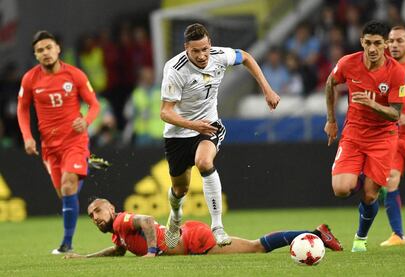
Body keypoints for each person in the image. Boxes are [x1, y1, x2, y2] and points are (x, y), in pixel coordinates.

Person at [160, 23, 280, 248]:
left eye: (205, 49)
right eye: (196, 51)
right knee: (180, 189)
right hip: (178, 133)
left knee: (204, 162)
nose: (202, 55)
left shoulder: (219, 55)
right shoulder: (175, 69)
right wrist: (193, 125)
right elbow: (165, 113)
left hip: (209, 124)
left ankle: (217, 226)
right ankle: (175, 218)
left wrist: (267, 89)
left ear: (210, 44)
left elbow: (245, 57)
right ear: (186, 48)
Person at [324, 21, 405, 252]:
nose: (372, 48)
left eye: (378, 44)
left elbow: (395, 114)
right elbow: (330, 83)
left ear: (386, 45)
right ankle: (361, 174)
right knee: (341, 189)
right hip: (354, 134)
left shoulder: (396, 73)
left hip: (383, 137)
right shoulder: (348, 63)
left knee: (370, 196)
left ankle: (360, 237)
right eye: (368, 42)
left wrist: (372, 104)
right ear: (362, 42)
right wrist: (331, 120)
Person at [17, 31, 100, 254]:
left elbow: (94, 104)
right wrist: (27, 136)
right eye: (40, 50)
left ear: (58, 49)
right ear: (36, 55)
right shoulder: (30, 79)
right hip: (49, 146)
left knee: (67, 185)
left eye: (49, 47)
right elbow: (22, 109)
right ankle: (84, 166)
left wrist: (86, 120)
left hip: (74, 141)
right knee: (65, 194)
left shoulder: (75, 75)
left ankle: (67, 244)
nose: (46, 53)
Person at [64, 198, 343, 259]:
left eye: (97, 211)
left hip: (193, 240)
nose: (94, 217)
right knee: (254, 245)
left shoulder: (122, 220)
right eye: (90, 216)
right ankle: (317, 233)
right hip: (185, 240)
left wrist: (151, 252)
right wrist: (84, 258)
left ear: (110, 208)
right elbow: (117, 250)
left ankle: (317, 234)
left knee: (255, 246)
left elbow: (147, 221)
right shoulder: (118, 234)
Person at [380, 25, 405, 247]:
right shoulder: (384, 68)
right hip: (392, 136)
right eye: (391, 40)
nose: (394, 44)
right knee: (389, 179)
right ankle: (398, 235)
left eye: (399, 40)